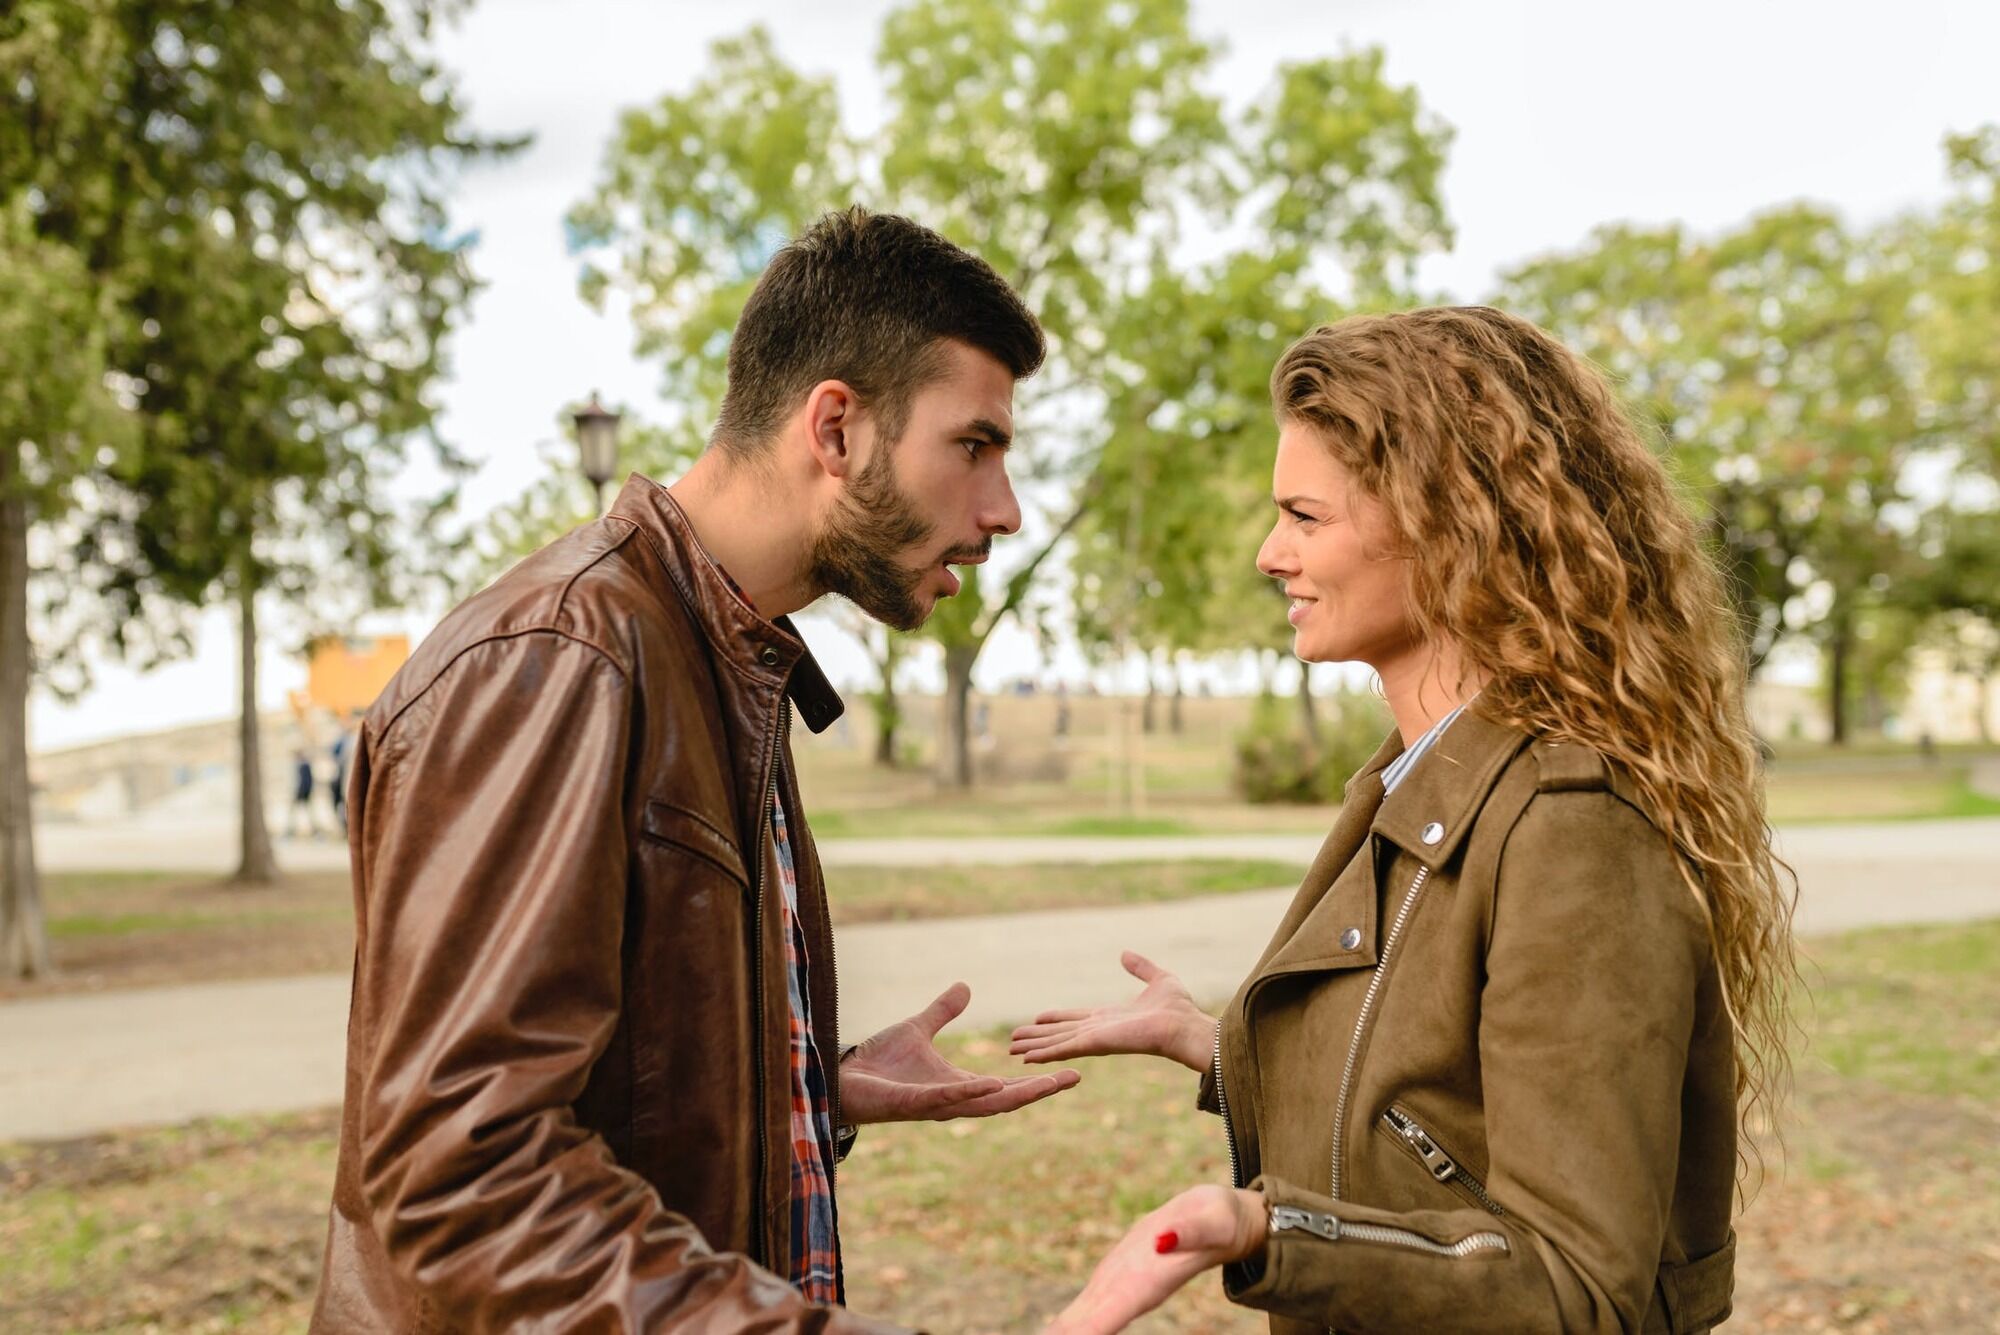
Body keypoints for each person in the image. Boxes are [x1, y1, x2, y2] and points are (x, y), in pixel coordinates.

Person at [309, 207, 1080, 1332]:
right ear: (835, 429)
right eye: (974, 445)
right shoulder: (562, 659)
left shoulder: (724, 659)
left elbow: (615, 1088)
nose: (1002, 511)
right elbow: (460, 1179)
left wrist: (808, 1090)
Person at [1026, 307, 1796, 1334]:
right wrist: (1221, 1049)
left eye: (1304, 516)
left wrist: (1265, 1233)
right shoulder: (1414, 781)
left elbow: (1574, 1286)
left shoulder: (1572, 828)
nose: (1268, 553)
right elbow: (1432, 1108)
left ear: (1448, 527)